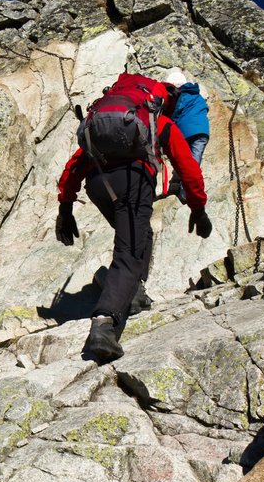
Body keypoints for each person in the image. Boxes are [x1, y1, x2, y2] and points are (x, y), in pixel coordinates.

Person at [55, 73, 212, 363]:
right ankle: (104, 325)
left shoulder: (107, 123)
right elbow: (188, 168)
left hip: (98, 184)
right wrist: (198, 209)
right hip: (134, 182)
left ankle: (134, 292)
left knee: (140, 235)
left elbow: (75, 163)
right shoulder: (157, 122)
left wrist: (65, 208)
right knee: (129, 251)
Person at [162, 70, 210, 201]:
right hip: (203, 132)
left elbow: (176, 113)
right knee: (195, 160)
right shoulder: (197, 94)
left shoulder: (180, 96)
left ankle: (184, 191)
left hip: (186, 132)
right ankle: (184, 188)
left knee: (185, 161)